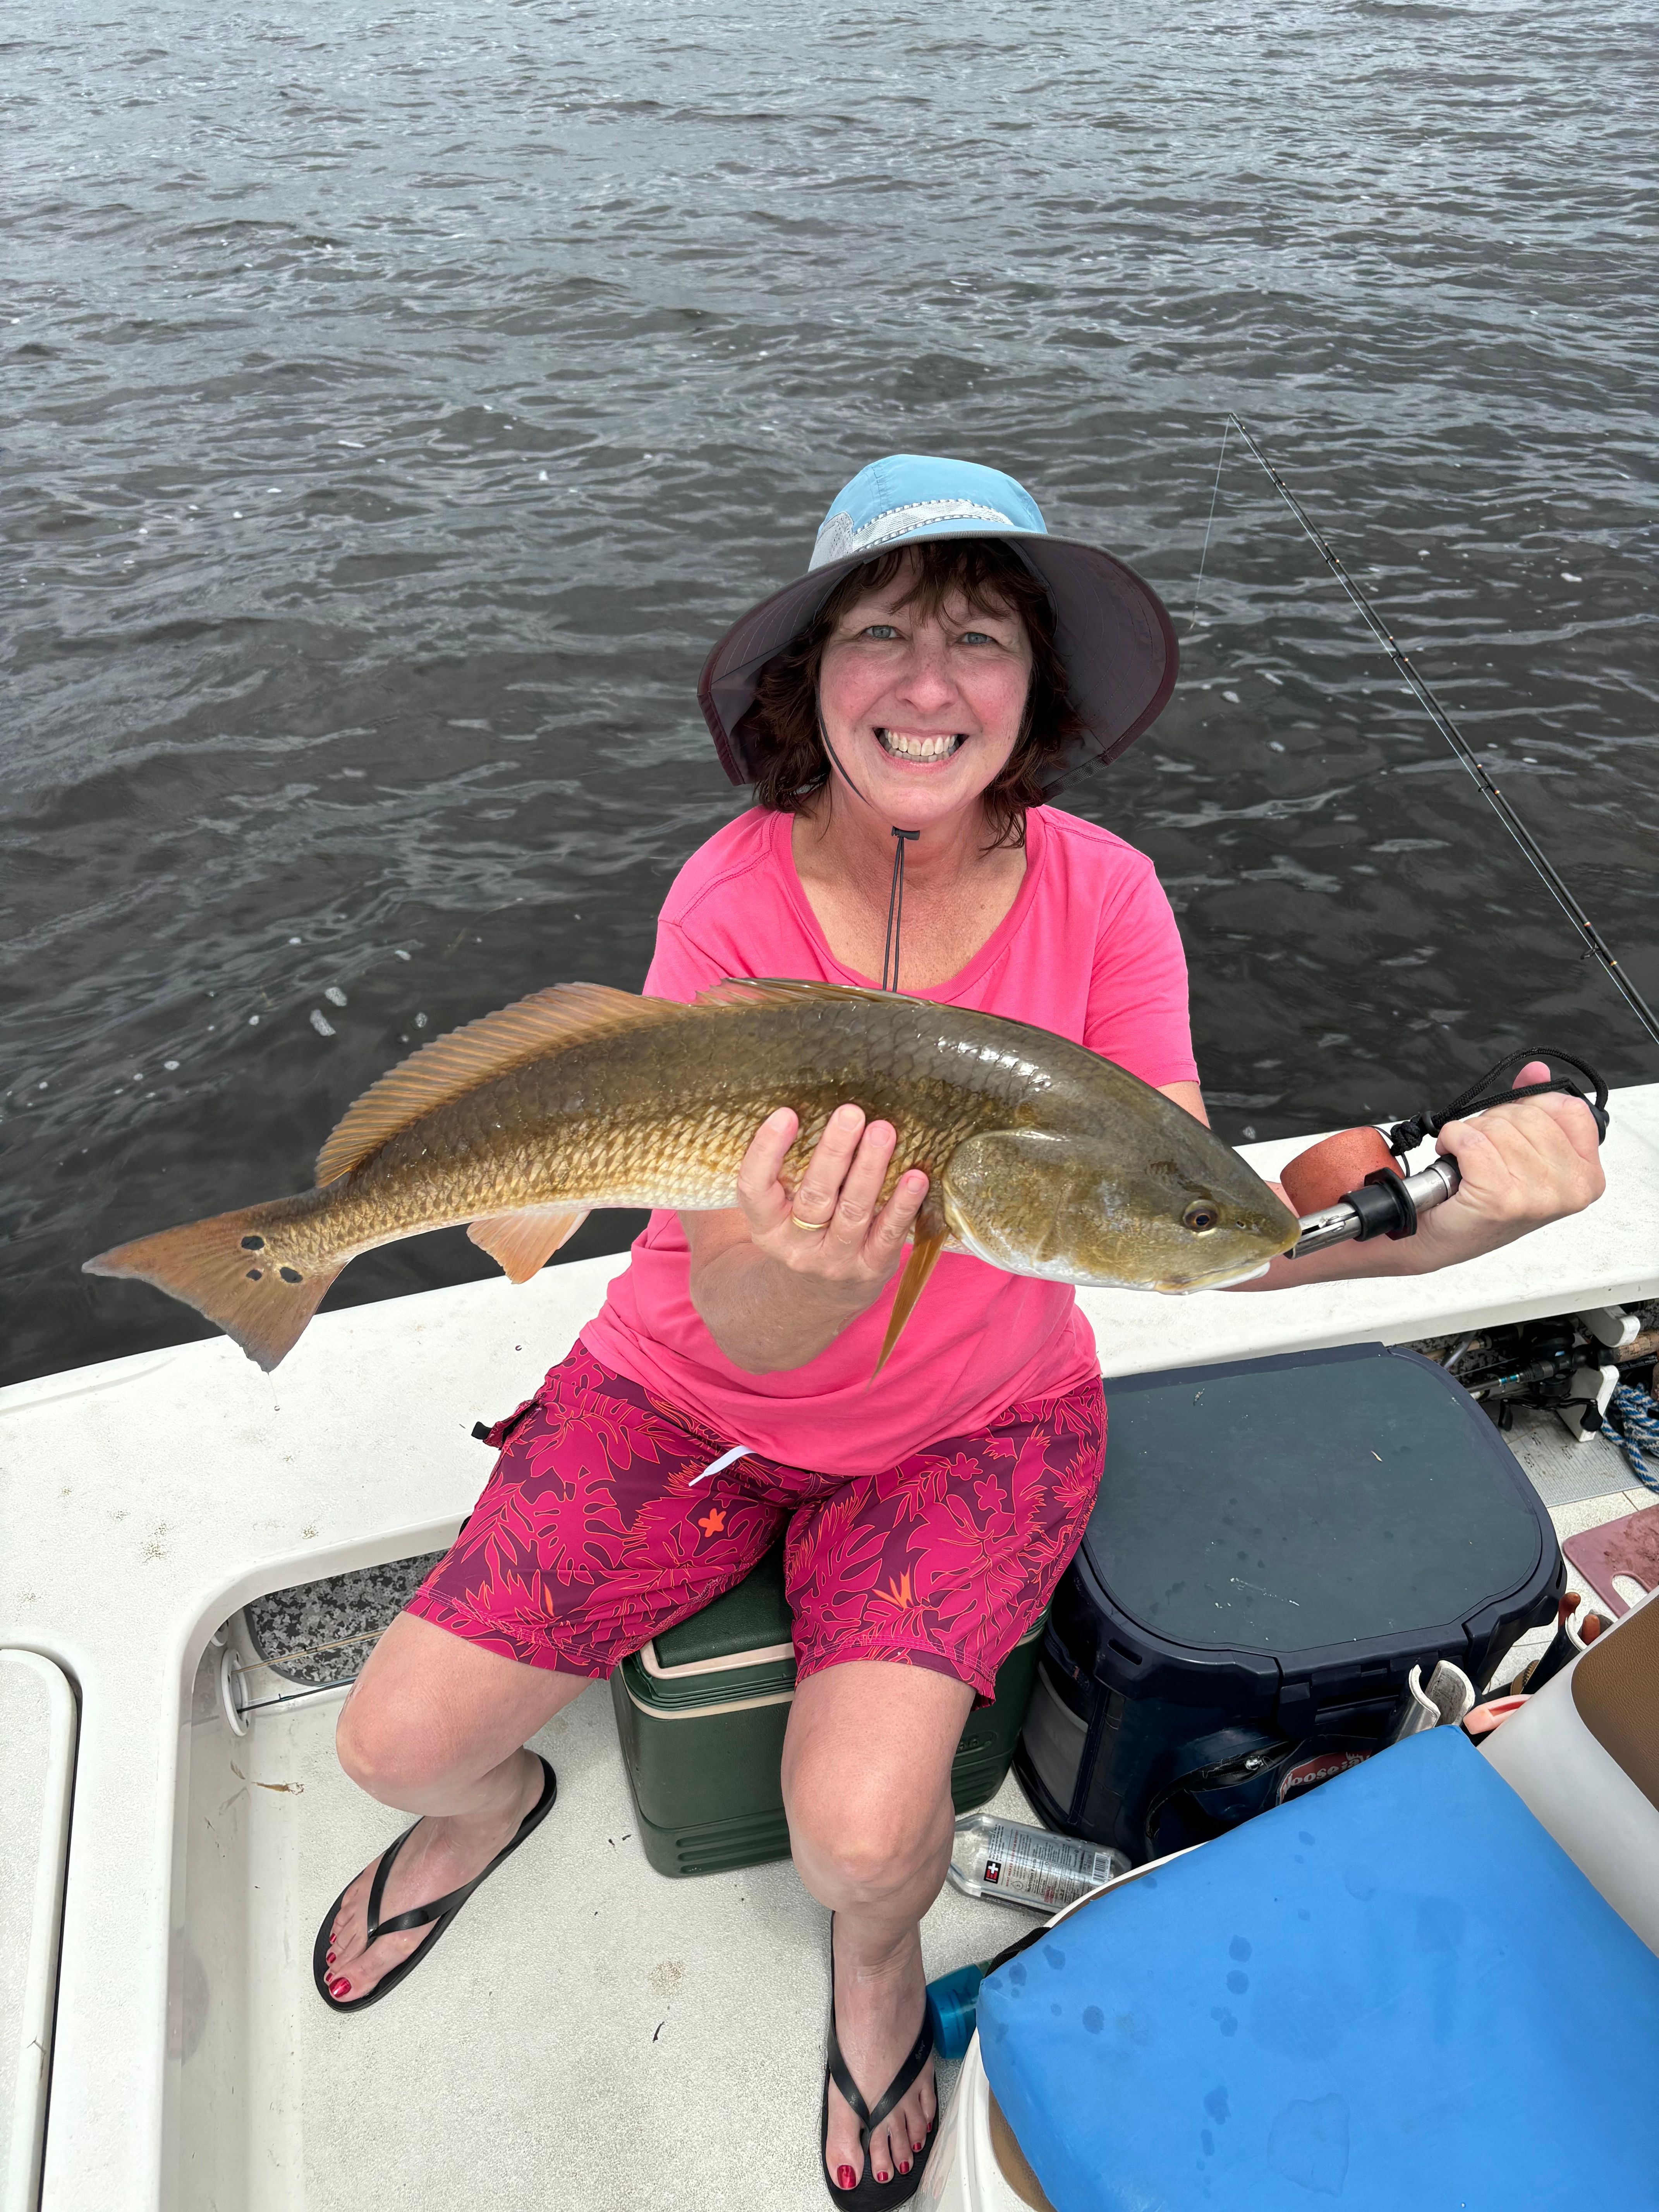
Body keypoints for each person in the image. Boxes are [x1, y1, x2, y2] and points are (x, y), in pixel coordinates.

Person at [310, 455, 1604, 2205]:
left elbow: (1187, 1219)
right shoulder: (729, 900)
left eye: (979, 639)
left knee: (860, 1842)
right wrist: (805, 1263)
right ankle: (489, 1818)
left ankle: (872, 1979)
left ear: (1033, 688)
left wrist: (1443, 1230)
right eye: (883, 635)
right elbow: (753, 1325)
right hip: (695, 1388)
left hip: (974, 1425)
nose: (929, 686)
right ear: (810, 680)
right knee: (392, 1749)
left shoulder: (1108, 901)